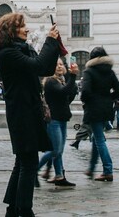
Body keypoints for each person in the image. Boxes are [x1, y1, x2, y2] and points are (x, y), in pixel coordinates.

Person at [0, 12, 60, 217]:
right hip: (22, 112)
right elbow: (38, 65)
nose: (27, 29)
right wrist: (49, 41)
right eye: (22, 26)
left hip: (27, 110)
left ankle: (13, 209)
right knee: (29, 163)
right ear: (10, 31)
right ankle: (25, 210)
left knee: (22, 162)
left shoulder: (22, 50)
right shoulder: (8, 54)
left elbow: (46, 68)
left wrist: (53, 43)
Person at [81, 46, 119, 181]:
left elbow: (85, 91)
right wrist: (108, 98)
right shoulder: (110, 71)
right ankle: (92, 168)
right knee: (96, 137)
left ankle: (108, 170)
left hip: (94, 109)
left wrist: (86, 101)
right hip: (106, 109)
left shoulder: (89, 72)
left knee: (99, 139)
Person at [38, 58, 78, 188]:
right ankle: (34, 170)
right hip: (54, 120)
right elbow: (63, 92)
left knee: (59, 151)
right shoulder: (51, 81)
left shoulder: (61, 80)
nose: (59, 66)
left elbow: (68, 96)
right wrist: (73, 76)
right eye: (56, 65)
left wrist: (71, 79)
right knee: (55, 150)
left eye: (61, 64)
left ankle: (59, 176)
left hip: (61, 119)